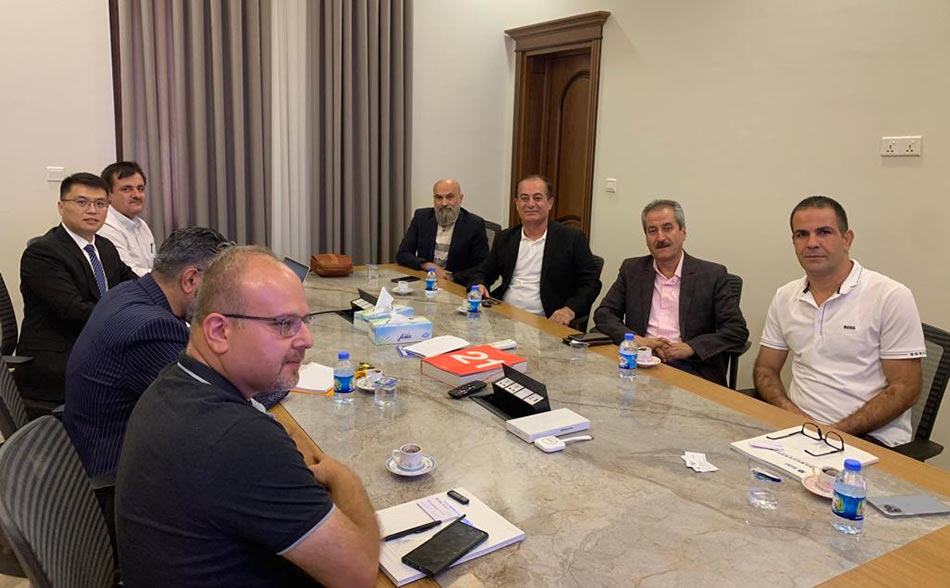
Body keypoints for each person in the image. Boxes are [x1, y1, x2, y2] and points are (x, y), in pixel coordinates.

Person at [116, 246, 379, 588]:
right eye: (284, 324)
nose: (307, 340)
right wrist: (345, 477)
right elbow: (358, 575)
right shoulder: (237, 439)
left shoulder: (177, 381)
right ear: (218, 331)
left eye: (304, 321)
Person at [753, 196, 925, 447]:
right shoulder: (785, 296)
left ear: (847, 239)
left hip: (868, 437)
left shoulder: (890, 296)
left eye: (824, 232)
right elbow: (765, 369)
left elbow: (906, 388)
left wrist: (834, 432)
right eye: (802, 235)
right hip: (798, 431)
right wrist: (789, 413)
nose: (812, 243)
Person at [65, 227, 231, 480]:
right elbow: (208, 407)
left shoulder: (126, 292)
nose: (220, 300)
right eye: (218, 288)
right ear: (190, 280)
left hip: (89, 444)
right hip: (117, 470)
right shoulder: (153, 327)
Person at [15, 173, 137, 409]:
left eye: (100, 204)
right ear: (61, 207)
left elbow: (134, 285)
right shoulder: (43, 253)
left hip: (97, 346)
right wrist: (129, 320)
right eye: (82, 202)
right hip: (58, 361)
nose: (92, 210)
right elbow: (75, 310)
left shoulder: (104, 247)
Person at [593, 199, 748, 385]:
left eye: (667, 228)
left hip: (691, 367)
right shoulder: (632, 269)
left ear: (683, 232)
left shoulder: (713, 275)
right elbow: (604, 313)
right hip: (638, 361)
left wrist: (690, 347)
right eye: (652, 231)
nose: (660, 238)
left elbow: (736, 330)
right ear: (646, 237)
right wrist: (638, 341)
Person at [468, 175, 601, 326]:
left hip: (546, 321)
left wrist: (569, 310)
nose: (530, 204)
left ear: (550, 203)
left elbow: (591, 283)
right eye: (524, 198)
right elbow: (482, 272)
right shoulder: (505, 238)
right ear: (516, 204)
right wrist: (480, 284)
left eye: (537, 198)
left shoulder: (572, 238)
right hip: (504, 315)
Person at [395, 178, 489, 284]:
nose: (444, 203)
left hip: (456, 285)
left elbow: (481, 267)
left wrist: (451, 277)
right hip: (426, 281)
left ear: (460, 198)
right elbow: (403, 254)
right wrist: (427, 265)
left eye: (450, 197)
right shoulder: (421, 218)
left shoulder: (474, 224)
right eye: (439, 198)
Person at [98, 161, 156, 276]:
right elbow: (128, 274)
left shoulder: (141, 224)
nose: (136, 195)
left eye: (140, 188)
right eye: (126, 189)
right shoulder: (104, 227)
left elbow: (152, 265)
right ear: (108, 195)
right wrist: (166, 278)